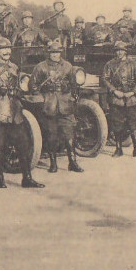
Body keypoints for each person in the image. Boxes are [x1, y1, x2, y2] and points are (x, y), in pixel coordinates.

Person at [0, 37, 44, 190]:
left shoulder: (14, 67)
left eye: (8, 49)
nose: (7, 51)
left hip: (15, 111)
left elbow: (20, 87)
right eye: (3, 49)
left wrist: (18, 93)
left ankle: (27, 178)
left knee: (24, 145)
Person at [30, 40, 83, 173]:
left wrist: (72, 96)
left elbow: (74, 84)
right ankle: (53, 164)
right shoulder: (40, 67)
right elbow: (33, 86)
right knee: (51, 135)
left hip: (65, 103)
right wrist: (42, 98)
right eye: (53, 52)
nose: (55, 55)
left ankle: (73, 162)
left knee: (69, 134)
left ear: (61, 52)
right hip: (49, 104)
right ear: (49, 53)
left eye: (57, 52)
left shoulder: (67, 66)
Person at [101, 41, 136, 158]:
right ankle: (118, 149)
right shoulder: (109, 64)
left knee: (134, 124)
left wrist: (133, 91)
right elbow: (105, 79)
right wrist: (114, 90)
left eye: (122, 50)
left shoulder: (133, 63)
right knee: (117, 124)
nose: (119, 52)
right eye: (117, 50)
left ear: (125, 51)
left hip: (131, 98)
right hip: (116, 98)